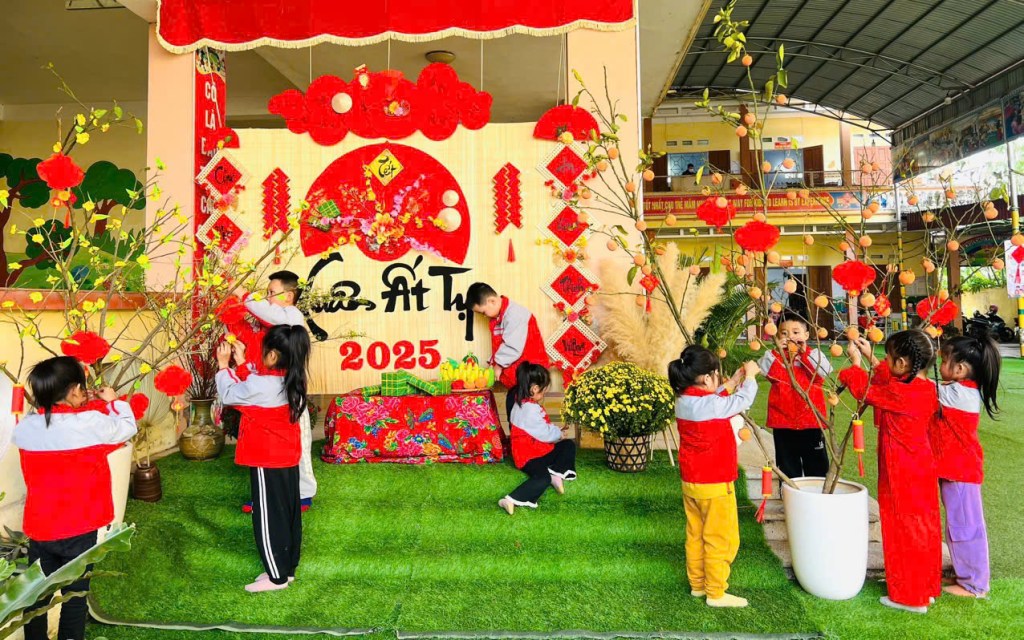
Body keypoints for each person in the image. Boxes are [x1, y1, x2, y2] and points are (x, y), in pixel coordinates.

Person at [13, 356, 138, 640]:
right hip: (80, 528)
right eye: (82, 387)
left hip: (40, 528)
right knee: (75, 596)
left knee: (37, 597)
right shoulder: (90, 424)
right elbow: (126, 427)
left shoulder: (27, 426)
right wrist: (113, 401)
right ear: (73, 390)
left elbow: (60, 421)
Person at [840, 330, 941, 613]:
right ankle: (923, 587)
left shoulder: (900, 392)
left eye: (888, 358)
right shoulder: (924, 387)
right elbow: (892, 380)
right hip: (921, 467)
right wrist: (872, 358)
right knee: (923, 526)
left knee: (901, 528)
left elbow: (865, 391)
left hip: (901, 470)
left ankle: (909, 596)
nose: (884, 362)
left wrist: (855, 365)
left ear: (902, 363)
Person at [216, 325, 310, 593]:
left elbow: (230, 394)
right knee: (288, 514)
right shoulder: (293, 377)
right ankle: (286, 570)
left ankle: (276, 578)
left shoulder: (261, 385)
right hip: (286, 456)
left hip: (266, 458)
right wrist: (242, 363)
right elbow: (255, 384)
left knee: (268, 518)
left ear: (272, 356)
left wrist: (223, 365)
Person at [670, 346, 760, 608]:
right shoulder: (710, 405)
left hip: (692, 482)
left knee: (696, 535)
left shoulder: (684, 400)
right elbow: (742, 401)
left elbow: (712, 401)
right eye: (717, 376)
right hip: (715, 482)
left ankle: (698, 585)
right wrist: (750, 377)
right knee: (721, 538)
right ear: (707, 378)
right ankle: (716, 592)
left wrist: (731, 382)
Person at [226, 270, 317, 513]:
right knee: (269, 450)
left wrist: (241, 292)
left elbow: (267, 312)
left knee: (300, 445)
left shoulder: (291, 316)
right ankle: (267, 495)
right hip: (269, 397)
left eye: (271, 293)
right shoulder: (269, 325)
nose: (266, 298)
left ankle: (303, 494)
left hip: (290, 397)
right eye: (265, 293)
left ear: (289, 296)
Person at [930, 335, 1001, 599]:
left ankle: (975, 584)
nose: (940, 365)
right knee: (958, 525)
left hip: (961, 472)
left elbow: (921, 387)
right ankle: (965, 574)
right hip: (955, 470)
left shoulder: (959, 394)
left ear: (959, 369)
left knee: (965, 528)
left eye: (944, 361)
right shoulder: (960, 389)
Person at [758, 311, 832, 479]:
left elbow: (824, 371)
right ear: (777, 336)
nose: (790, 337)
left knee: (817, 468)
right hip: (783, 423)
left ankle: (818, 494)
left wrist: (804, 354)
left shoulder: (814, 355)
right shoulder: (776, 358)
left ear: (806, 335)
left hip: (811, 422)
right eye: (784, 333)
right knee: (788, 469)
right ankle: (789, 494)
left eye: (796, 332)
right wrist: (778, 352)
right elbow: (763, 370)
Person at [498, 363, 576, 515]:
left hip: (535, 451)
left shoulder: (521, 403)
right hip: (529, 457)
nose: (544, 394)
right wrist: (559, 434)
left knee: (567, 446)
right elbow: (544, 433)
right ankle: (510, 500)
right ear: (534, 389)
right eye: (543, 391)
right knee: (544, 475)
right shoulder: (529, 410)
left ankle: (555, 474)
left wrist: (556, 431)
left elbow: (539, 429)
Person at [466, 282, 549, 421]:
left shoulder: (515, 314)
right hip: (520, 376)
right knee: (515, 413)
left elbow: (512, 346)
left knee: (522, 417)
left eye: (483, 312)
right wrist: (492, 364)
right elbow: (500, 345)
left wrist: (498, 364)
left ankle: (525, 435)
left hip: (530, 375)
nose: (484, 316)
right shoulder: (500, 317)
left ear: (492, 301)